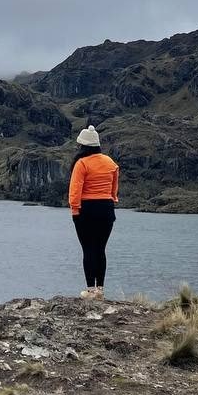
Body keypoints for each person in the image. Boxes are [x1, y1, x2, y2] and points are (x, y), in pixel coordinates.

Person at [68, 125, 119, 299]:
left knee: (88, 249)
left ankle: (90, 290)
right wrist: (110, 200)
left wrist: (75, 211)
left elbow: (75, 191)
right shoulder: (110, 162)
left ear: (83, 146)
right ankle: (100, 290)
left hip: (86, 210)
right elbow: (114, 189)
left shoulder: (81, 163)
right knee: (100, 249)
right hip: (106, 208)